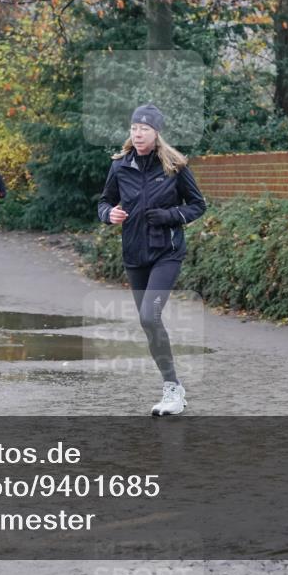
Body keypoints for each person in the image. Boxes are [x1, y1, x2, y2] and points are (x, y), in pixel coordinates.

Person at [97, 103, 207, 416]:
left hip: (167, 253)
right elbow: (104, 202)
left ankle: (171, 388)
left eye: (144, 129)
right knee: (150, 324)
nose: (138, 133)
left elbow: (198, 206)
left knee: (149, 315)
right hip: (134, 255)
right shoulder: (120, 166)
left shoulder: (175, 166)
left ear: (156, 133)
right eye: (134, 128)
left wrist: (170, 216)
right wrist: (109, 215)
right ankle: (175, 387)